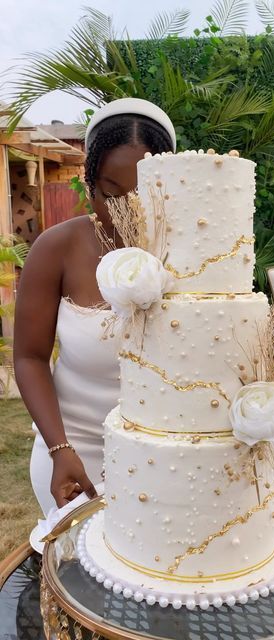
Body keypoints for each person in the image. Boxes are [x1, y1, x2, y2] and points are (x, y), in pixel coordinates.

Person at [14, 98, 176, 515]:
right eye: (111, 193)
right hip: (73, 453)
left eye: (144, 194)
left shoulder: (191, 253)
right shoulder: (56, 249)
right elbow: (30, 357)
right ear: (88, 183)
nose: (126, 211)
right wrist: (59, 449)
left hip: (166, 460)